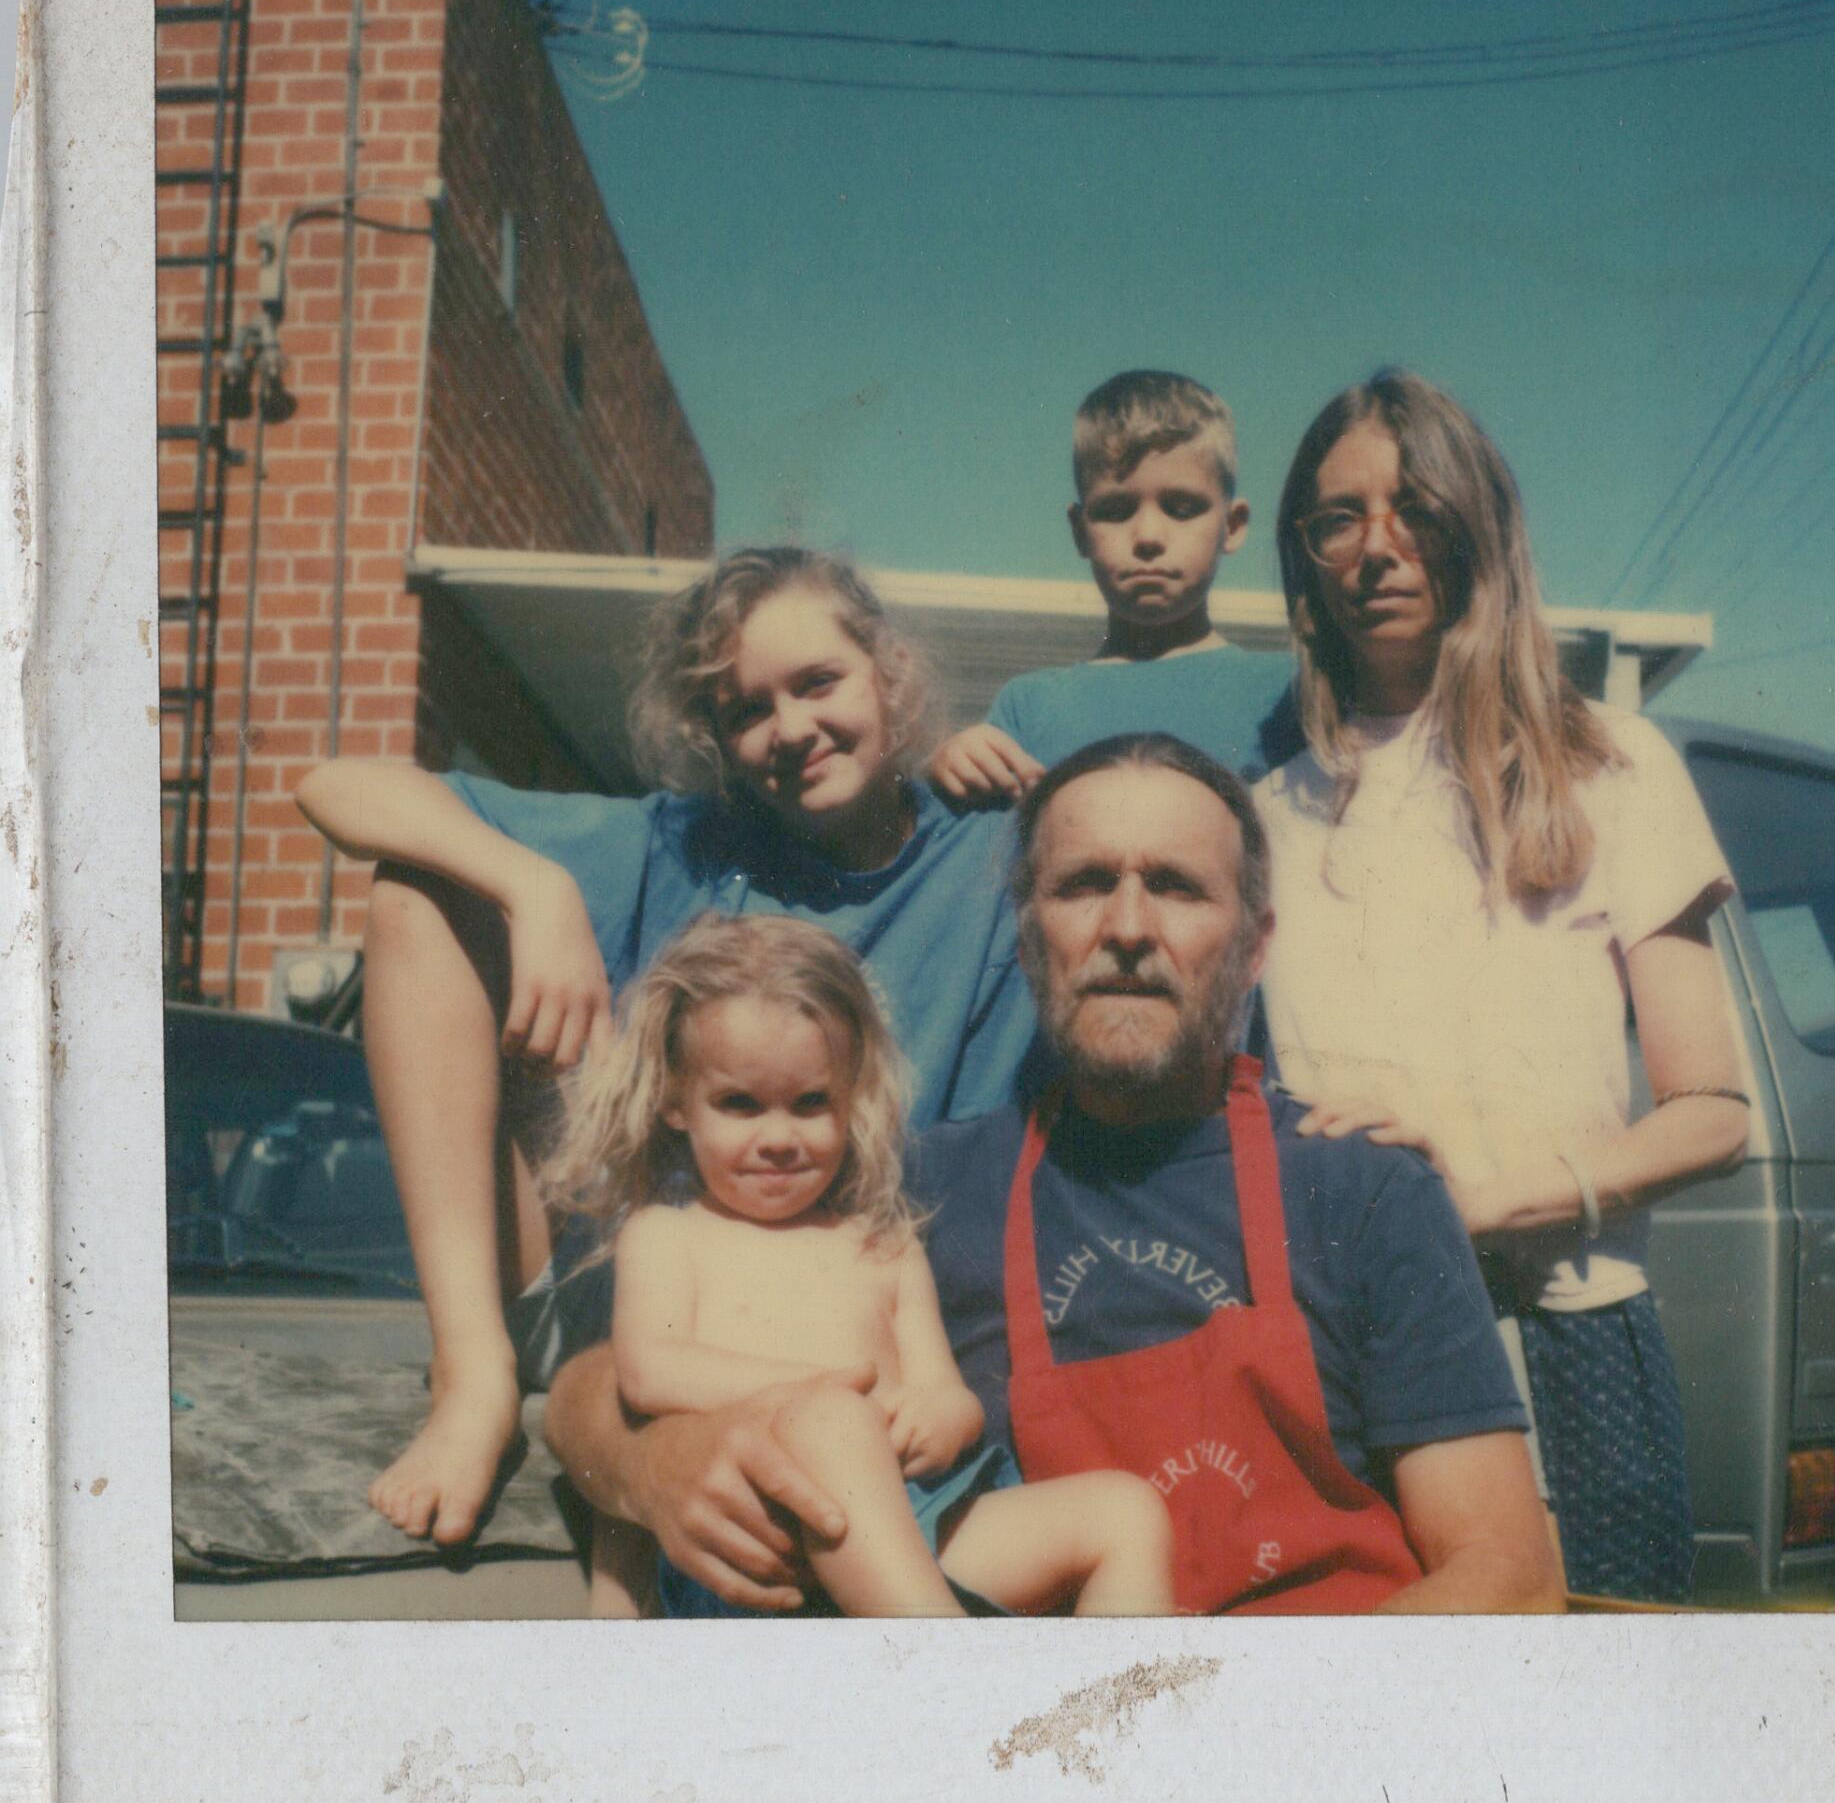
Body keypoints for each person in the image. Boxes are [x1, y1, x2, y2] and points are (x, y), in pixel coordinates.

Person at [545, 735, 1564, 1616]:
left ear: (1254, 948)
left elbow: (1511, 1578)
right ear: (1029, 940)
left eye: (1177, 887)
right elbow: (586, 1388)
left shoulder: (1361, 1188)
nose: (1127, 928)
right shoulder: (912, 1187)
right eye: (1082, 886)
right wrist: (649, 1466)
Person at [295, 547, 1038, 1562]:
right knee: (415, 891)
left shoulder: (988, 849)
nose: (791, 728)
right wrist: (535, 888)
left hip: (854, 1321)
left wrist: (984, 752)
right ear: (715, 740)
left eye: (820, 682)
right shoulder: (685, 844)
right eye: (748, 710)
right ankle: (472, 1376)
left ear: (891, 675)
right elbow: (335, 785)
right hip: (646, 1303)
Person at [1252, 369, 1750, 1602]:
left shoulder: (1608, 765)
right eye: (1337, 519)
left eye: (1413, 508)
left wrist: (1482, 1204)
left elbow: (1713, 1116)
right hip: (1347, 1359)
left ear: (1475, 522)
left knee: (1590, 1695)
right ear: (1302, 555)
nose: (1377, 547)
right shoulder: (1263, 817)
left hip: (1571, 1337)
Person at [544, 910, 1174, 1617]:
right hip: (761, 1539)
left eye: (811, 1103)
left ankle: (1114, 1692)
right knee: (831, 1421)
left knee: (1126, 1512)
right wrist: (829, 1399)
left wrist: (941, 1417)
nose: (778, 1137)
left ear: (851, 1098)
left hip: (913, 1526)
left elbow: (947, 1393)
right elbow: (649, 1371)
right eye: (740, 1104)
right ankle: (944, 1659)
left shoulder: (884, 1245)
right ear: (675, 1103)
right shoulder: (667, 1234)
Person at [927, 370, 1298, 806]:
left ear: (1232, 526)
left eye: (1181, 508)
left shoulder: (1287, 693)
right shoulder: (1028, 708)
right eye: (1116, 510)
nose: (1148, 537)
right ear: (1080, 531)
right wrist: (947, 766)